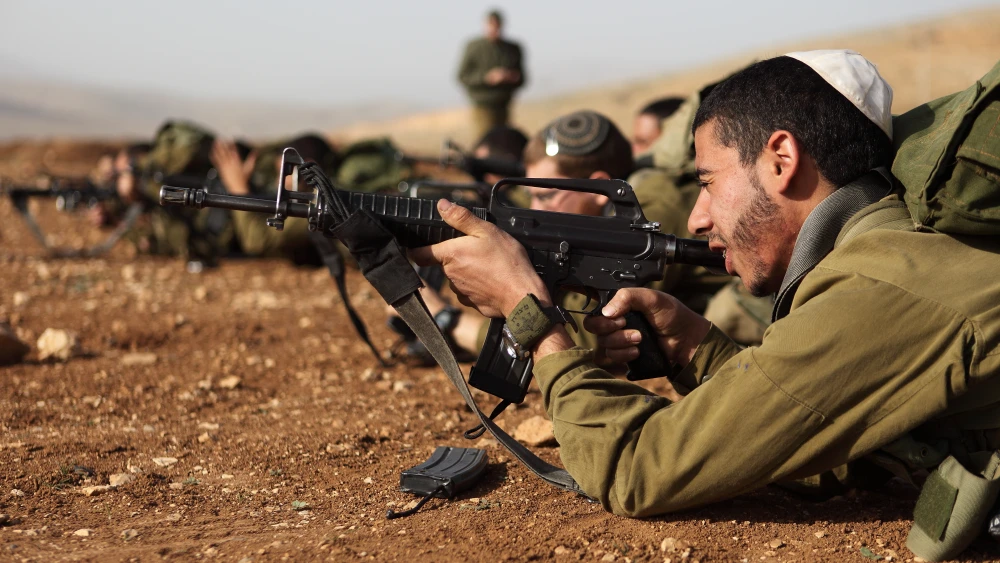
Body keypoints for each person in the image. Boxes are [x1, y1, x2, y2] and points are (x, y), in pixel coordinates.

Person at [411, 49, 1000, 552]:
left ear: (781, 160)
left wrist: (530, 312)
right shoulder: (893, 263)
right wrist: (696, 347)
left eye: (709, 181)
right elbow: (836, 450)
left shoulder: (881, 293)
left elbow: (637, 469)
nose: (696, 218)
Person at [456, 9, 526, 138]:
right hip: (482, 106)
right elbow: (462, 76)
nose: (494, 29)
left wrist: (510, 77)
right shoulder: (474, 47)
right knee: (484, 142)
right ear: (485, 25)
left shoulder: (512, 49)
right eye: (491, 25)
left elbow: (523, 78)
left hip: (504, 105)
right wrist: (486, 78)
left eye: (497, 25)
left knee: (503, 142)